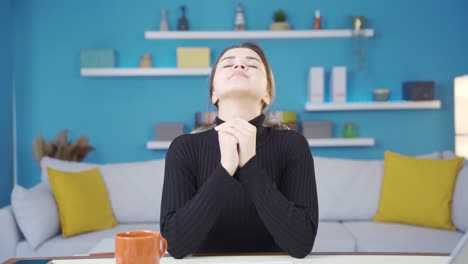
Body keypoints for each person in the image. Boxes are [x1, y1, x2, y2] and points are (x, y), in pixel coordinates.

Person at [160, 42, 318, 259]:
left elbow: (301, 243)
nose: (239, 67)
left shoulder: (293, 145)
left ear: (267, 94)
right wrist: (225, 170)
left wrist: (250, 166)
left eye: (251, 65)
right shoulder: (184, 148)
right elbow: (176, 245)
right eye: (228, 64)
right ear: (213, 94)